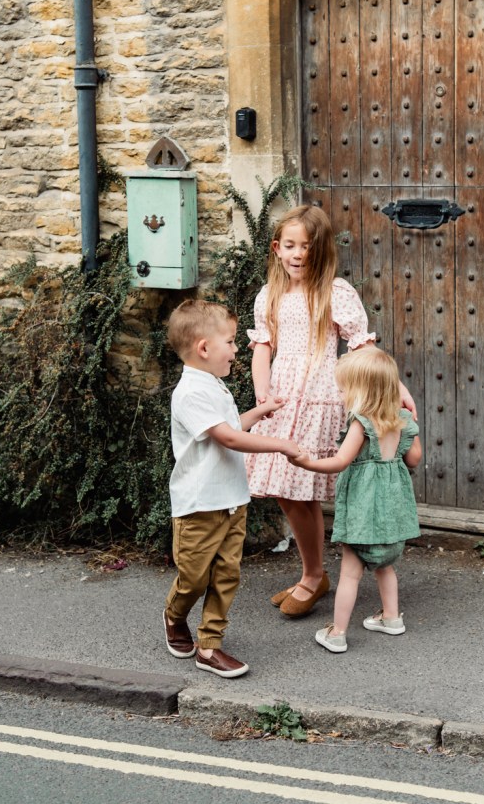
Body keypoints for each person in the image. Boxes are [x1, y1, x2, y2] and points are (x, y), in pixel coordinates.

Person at [245, 203, 415, 618]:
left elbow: (362, 347)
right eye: (289, 245)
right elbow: (263, 348)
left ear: (320, 251)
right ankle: (314, 573)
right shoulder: (269, 295)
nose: (297, 254)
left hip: (323, 399)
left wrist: (396, 387)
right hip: (282, 401)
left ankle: (314, 575)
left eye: (306, 246)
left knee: (303, 491)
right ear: (276, 248)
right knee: (286, 493)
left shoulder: (335, 292)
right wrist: (262, 391)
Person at [163, 298, 299, 678]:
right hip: (199, 506)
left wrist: (259, 412)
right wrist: (282, 445)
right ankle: (174, 615)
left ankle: (209, 646)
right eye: (232, 342)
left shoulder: (215, 386)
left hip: (232, 501)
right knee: (193, 578)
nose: (237, 349)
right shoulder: (190, 392)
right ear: (204, 348)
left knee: (226, 575)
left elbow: (230, 427)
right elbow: (229, 440)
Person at [291, 347, 422, 653]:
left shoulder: (361, 423)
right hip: (391, 511)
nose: (340, 393)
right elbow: (414, 459)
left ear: (361, 391)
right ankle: (391, 618)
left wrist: (306, 462)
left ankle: (337, 633)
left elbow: (340, 461)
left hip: (364, 510)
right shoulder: (403, 419)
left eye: (343, 388)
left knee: (351, 572)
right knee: (385, 567)